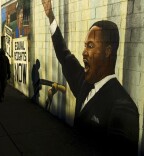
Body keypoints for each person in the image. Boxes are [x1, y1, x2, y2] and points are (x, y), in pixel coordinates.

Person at [41, 0, 139, 155]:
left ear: (107, 52)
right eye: (85, 45)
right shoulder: (84, 83)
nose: (84, 52)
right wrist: (51, 16)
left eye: (90, 46)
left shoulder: (123, 108)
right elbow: (64, 56)